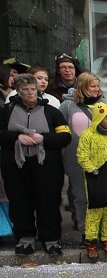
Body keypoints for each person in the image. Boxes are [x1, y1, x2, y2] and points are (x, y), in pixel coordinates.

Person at [0, 73, 72, 258]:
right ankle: (25, 239)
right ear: (18, 91)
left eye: (33, 89)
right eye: (25, 89)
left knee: (48, 202)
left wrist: (44, 138)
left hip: (47, 167)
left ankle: (51, 240)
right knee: (20, 203)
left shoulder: (51, 112)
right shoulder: (6, 111)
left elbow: (65, 137)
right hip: (16, 166)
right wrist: (17, 137)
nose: (30, 93)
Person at [60, 72, 107, 237]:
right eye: (93, 86)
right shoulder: (67, 106)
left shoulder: (105, 103)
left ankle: (105, 235)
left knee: (105, 198)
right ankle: (86, 234)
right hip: (77, 160)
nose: (97, 89)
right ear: (82, 86)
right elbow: (60, 131)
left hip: (106, 160)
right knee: (81, 198)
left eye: (98, 86)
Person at [76, 102, 107, 262]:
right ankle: (90, 241)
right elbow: (81, 155)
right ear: (98, 118)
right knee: (95, 210)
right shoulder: (87, 135)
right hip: (94, 178)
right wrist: (92, 169)